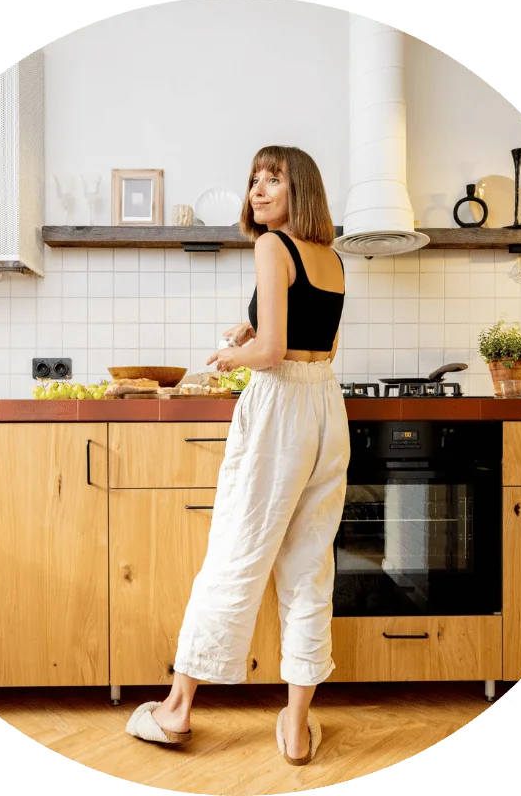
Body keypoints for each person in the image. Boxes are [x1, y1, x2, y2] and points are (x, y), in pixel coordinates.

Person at [125, 145, 350, 766]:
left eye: (272, 178)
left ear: (298, 187)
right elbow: (310, 342)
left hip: (279, 410)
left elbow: (275, 355)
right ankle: (298, 730)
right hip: (326, 410)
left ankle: (175, 712)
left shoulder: (272, 246)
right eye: (254, 178)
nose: (258, 188)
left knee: (235, 553)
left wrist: (232, 357)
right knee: (309, 567)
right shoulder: (329, 257)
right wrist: (252, 332)